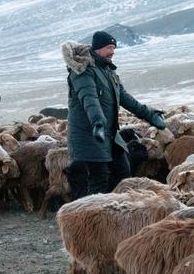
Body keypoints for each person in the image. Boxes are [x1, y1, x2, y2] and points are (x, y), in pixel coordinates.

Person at [61, 30, 166, 198]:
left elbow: (126, 99)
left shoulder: (109, 72)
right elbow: (89, 99)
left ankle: (113, 214)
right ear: (98, 48)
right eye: (109, 47)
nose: (113, 52)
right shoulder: (83, 72)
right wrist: (98, 122)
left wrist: (151, 115)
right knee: (99, 179)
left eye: (114, 48)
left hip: (109, 135)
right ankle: (92, 217)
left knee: (123, 172)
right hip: (89, 135)